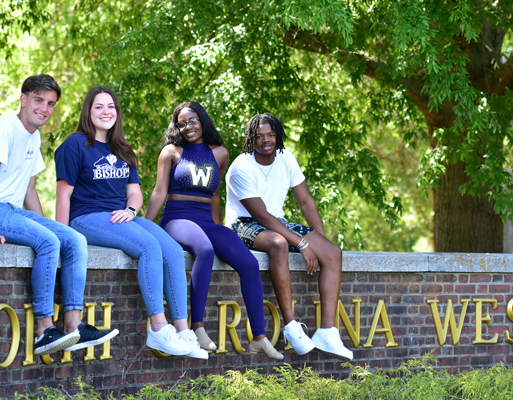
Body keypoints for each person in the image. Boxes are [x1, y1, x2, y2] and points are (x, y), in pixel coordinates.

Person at [0, 74, 118, 356]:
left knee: (75, 240)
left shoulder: (34, 136)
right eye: (38, 100)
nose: (44, 108)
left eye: (51, 103)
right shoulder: (3, 130)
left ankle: (73, 326)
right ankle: (44, 330)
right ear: (23, 99)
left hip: (11, 210)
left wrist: (49, 226)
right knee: (48, 243)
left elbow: (30, 190)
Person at [54, 86, 207, 360]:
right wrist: (63, 237)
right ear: (88, 111)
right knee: (149, 246)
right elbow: (63, 195)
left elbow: (135, 192)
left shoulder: (122, 149)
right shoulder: (75, 144)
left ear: (117, 112)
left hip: (119, 216)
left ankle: (183, 331)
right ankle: (159, 328)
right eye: (98, 106)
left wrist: (131, 209)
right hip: (86, 218)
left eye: (110, 106)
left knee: (171, 248)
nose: (105, 112)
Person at [145, 102, 284, 360]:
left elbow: (216, 194)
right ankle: (196, 326)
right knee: (205, 250)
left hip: (206, 221)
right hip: (177, 218)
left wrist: (217, 227)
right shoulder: (171, 152)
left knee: (248, 262)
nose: (188, 126)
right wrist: (144, 226)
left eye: (193, 120)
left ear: (203, 120)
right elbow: (159, 192)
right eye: (182, 122)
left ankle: (259, 337)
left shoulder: (220, 153)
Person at [225, 112, 354, 361]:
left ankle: (327, 331)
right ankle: (291, 327)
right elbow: (261, 216)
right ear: (251, 138)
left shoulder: (286, 158)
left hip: (277, 222)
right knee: (279, 243)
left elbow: (305, 202)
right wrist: (302, 243)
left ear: (278, 136)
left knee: (333, 252)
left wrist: (320, 242)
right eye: (259, 136)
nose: (266, 140)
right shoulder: (241, 167)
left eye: (271, 135)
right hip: (243, 224)